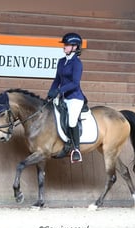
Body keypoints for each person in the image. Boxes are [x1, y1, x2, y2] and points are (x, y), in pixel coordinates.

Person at [47, 32, 86, 163]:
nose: (64, 47)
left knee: (72, 121)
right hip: (62, 97)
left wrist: (59, 90)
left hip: (74, 98)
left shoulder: (77, 64)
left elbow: (75, 83)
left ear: (75, 47)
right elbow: (57, 79)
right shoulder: (61, 61)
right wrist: (51, 93)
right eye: (64, 44)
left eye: (67, 45)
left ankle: (76, 149)